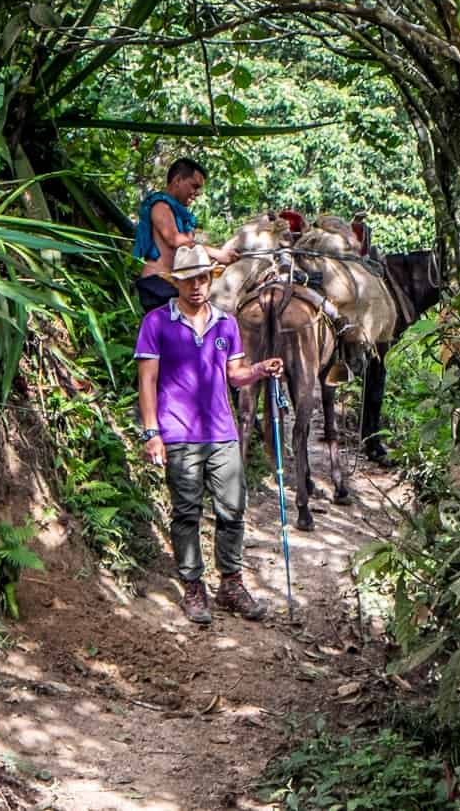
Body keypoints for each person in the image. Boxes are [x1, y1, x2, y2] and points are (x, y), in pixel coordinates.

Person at [136, 244, 282, 625]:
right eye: (188, 280)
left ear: (210, 279)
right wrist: (152, 433)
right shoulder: (156, 322)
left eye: (202, 278)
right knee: (186, 511)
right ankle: (193, 585)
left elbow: (235, 375)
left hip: (221, 431)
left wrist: (261, 369)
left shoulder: (225, 323)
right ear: (176, 282)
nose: (196, 286)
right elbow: (147, 381)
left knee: (232, 509)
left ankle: (231, 582)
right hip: (178, 432)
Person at [134, 157, 238, 311]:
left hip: (174, 284)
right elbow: (175, 240)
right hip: (158, 284)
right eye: (194, 186)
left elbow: (188, 248)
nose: (197, 193)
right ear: (177, 180)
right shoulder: (161, 206)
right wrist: (218, 254)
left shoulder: (179, 213)